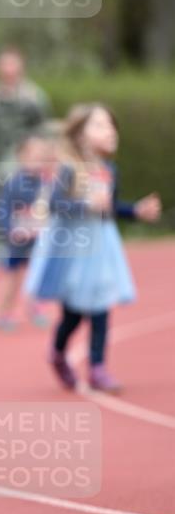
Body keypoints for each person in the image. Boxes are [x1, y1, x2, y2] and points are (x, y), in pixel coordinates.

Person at [24, 103, 161, 393]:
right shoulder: (69, 169)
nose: (109, 130)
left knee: (101, 306)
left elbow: (109, 208)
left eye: (111, 124)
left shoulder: (109, 169)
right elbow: (53, 204)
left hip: (102, 247)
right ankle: (58, 353)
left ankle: (98, 368)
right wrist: (85, 204)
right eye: (99, 125)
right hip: (74, 248)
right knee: (73, 314)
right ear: (80, 135)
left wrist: (136, 211)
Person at [0, 133, 56, 331]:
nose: (38, 160)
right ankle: (3, 312)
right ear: (22, 157)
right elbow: (2, 208)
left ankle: (35, 307)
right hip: (18, 240)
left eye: (42, 156)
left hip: (38, 239)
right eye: (34, 156)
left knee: (38, 275)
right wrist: (8, 230)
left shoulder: (49, 183)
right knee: (12, 278)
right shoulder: (14, 183)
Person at [0, 48, 52, 165]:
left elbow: (44, 128)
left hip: (28, 161)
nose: (7, 69)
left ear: (21, 68)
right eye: (4, 64)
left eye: (11, 64)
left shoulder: (35, 97)